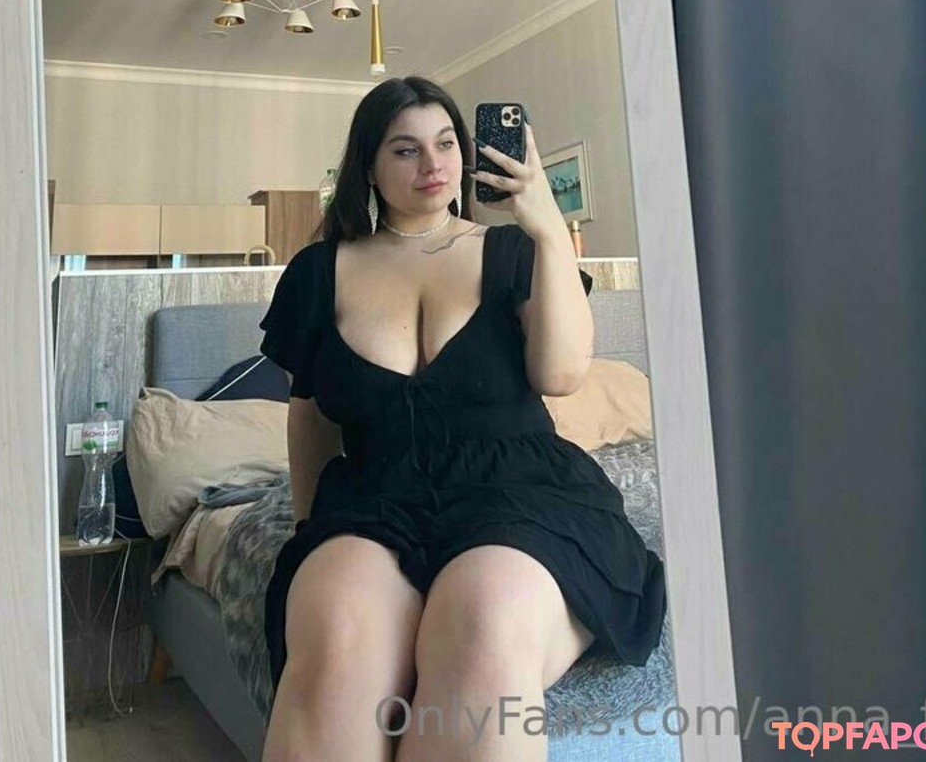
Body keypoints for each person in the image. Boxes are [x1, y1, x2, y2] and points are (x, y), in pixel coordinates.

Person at [258, 76, 666, 762]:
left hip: (521, 493)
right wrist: (312, 531)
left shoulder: (514, 252)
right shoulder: (317, 272)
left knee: (484, 622)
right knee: (336, 640)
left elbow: (562, 375)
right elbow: (310, 418)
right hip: (375, 497)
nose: (433, 163)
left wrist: (545, 226)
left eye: (446, 143)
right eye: (406, 149)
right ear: (369, 167)